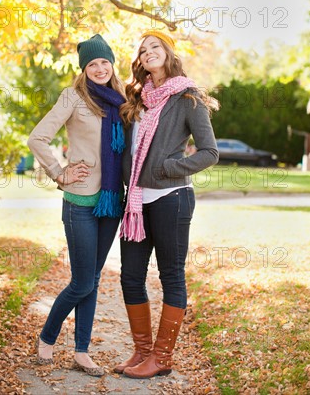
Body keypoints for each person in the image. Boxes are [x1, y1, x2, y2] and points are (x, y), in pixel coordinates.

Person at [115, 30, 219, 379]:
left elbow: (209, 153)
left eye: (154, 46)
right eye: (143, 51)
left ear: (167, 52)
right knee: (130, 276)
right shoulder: (138, 99)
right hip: (136, 203)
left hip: (171, 198)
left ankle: (162, 357)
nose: (148, 53)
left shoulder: (188, 97)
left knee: (171, 276)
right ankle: (143, 351)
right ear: (140, 62)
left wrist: (168, 168)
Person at [27, 34, 125, 377]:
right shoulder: (73, 96)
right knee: (82, 282)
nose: (99, 68)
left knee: (93, 279)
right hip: (80, 201)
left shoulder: (122, 100)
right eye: (92, 63)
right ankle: (47, 337)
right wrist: (59, 172)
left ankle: (82, 352)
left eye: (104, 62)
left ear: (112, 64)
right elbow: (37, 137)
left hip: (112, 202)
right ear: (84, 69)